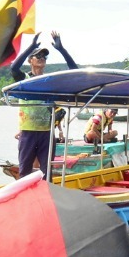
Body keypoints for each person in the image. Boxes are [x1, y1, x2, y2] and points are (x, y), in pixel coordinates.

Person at [9, 30, 77, 177]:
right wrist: (30, 46)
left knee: (47, 172)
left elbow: (74, 72)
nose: (42, 58)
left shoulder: (50, 80)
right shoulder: (25, 78)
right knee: (25, 171)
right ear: (30, 60)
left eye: (44, 57)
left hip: (46, 132)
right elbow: (13, 68)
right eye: (37, 56)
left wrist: (61, 49)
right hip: (28, 131)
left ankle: (46, 196)